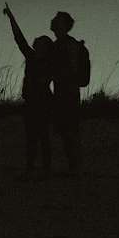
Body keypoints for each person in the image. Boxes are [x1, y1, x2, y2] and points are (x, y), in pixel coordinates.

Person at [3, 4, 53, 179]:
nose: (36, 42)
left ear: (45, 47)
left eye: (40, 42)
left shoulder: (48, 63)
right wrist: (11, 17)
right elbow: (19, 38)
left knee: (43, 136)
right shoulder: (31, 57)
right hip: (31, 103)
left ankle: (46, 168)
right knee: (32, 137)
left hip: (44, 103)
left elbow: (20, 40)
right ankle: (31, 167)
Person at [49, 11, 83, 175]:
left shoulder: (68, 45)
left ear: (62, 25)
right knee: (66, 131)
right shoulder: (60, 45)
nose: (52, 21)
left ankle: (75, 167)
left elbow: (72, 70)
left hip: (67, 94)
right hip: (64, 93)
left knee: (69, 131)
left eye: (56, 20)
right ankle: (73, 166)